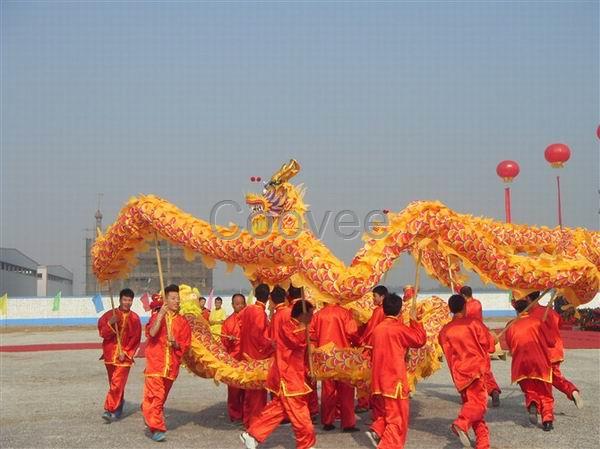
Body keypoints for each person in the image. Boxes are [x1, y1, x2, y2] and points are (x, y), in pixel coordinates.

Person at [241, 300, 317, 449]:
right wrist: (306, 328)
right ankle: (306, 444)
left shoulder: (298, 327)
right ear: (303, 314)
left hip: (292, 375)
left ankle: (252, 434)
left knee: (278, 409)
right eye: (311, 314)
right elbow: (298, 341)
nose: (312, 317)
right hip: (289, 378)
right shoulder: (289, 328)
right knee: (300, 413)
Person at [366, 293, 427, 449]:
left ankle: (378, 430)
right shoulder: (398, 329)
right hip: (394, 380)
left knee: (385, 413)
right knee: (398, 418)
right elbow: (419, 340)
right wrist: (415, 320)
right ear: (400, 310)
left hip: (379, 379)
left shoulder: (378, 329)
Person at [439, 294, 496, 449]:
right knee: (479, 405)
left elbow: (447, 351)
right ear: (465, 307)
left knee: (473, 407)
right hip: (475, 370)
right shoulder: (474, 323)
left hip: (459, 375)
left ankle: (483, 442)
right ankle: (461, 423)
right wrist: (493, 340)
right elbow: (489, 346)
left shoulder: (444, 331)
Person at [142, 284, 192, 442]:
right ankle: (157, 428)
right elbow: (151, 333)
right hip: (156, 364)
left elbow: (186, 344)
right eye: (173, 298)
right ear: (165, 301)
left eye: (178, 298)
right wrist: (161, 315)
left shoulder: (183, 322)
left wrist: (176, 344)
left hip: (171, 367)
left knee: (160, 399)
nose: (177, 301)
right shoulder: (158, 316)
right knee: (157, 396)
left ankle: (149, 412)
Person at [505, 299, 556, 431]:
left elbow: (510, 346)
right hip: (540, 362)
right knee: (545, 392)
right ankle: (547, 420)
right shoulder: (538, 322)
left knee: (530, 390)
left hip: (520, 365)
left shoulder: (510, 325)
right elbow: (551, 341)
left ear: (516, 309)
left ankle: (533, 402)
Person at [525, 291, 582, 408]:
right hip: (557, 350)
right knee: (555, 376)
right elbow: (559, 323)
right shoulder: (550, 312)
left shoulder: (531, 315)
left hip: (543, 352)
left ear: (528, 298)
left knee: (542, 379)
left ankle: (545, 408)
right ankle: (571, 391)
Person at [310, 299, 360, 432]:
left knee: (328, 390)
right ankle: (348, 423)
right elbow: (352, 332)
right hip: (342, 356)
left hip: (325, 356)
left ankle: (328, 421)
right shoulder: (345, 313)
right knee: (346, 390)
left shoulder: (318, 315)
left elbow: (311, 335)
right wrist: (358, 342)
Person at [97, 288, 142, 422]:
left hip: (124, 358)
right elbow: (103, 334)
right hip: (110, 354)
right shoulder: (109, 315)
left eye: (130, 300)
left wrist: (127, 353)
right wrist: (110, 323)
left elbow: (136, 339)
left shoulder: (134, 318)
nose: (127, 302)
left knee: (117, 383)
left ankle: (109, 409)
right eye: (125, 300)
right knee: (115, 384)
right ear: (120, 300)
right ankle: (118, 407)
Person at [238, 283, 273, 428]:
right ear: (268, 297)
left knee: (249, 392)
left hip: (245, 353)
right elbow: (259, 336)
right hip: (256, 357)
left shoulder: (248, 310)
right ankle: (255, 423)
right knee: (258, 395)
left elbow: (240, 324)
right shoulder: (259, 313)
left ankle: (247, 420)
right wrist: (272, 345)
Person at [460, 286, 502, 407]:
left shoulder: (465, 308)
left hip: (469, 339)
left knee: (468, 368)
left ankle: (471, 396)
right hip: (481, 336)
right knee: (485, 368)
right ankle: (493, 390)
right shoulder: (477, 303)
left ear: (463, 296)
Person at [357, 285, 389, 418]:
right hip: (385, 349)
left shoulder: (378, 311)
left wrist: (361, 341)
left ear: (382, 297)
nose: (373, 299)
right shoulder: (388, 310)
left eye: (374, 296)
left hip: (372, 348)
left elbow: (371, 330)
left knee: (363, 375)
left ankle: (364, 403)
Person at [221, 293, 247, 422]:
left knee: (248, 390)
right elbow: (223, 342)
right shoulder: (228, 322)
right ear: (232, 305)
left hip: (248, 360)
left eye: (242, 303)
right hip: (234, 360)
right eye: (237, 304)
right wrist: (229, 341)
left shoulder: (250, 320)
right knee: (234, 390)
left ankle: (247, 415)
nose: (240, 306)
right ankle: (235, 416)